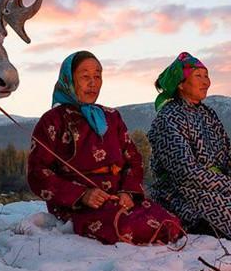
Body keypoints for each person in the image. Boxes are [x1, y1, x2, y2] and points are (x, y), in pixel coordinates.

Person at [28, 51, 183, 245]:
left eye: (97, 76)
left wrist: (127, 192)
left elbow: (133, 159)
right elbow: (37, 173)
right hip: (79, 205)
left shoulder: (112, 117)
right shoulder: (52, 121)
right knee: (127, 227)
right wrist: (82, 195)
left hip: (119, 198)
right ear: (68, 79)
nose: (92, 83)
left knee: (171, 222)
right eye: (85, 77)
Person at [146, 52, 231, 240]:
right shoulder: (168, 119)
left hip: (216, 185)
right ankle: (200, 224)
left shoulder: (208, 114)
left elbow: (229, 155)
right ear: (181, 84)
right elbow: (186, 173)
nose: (205, 82)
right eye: (198, 76)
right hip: (180, 189)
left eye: (206, 76)